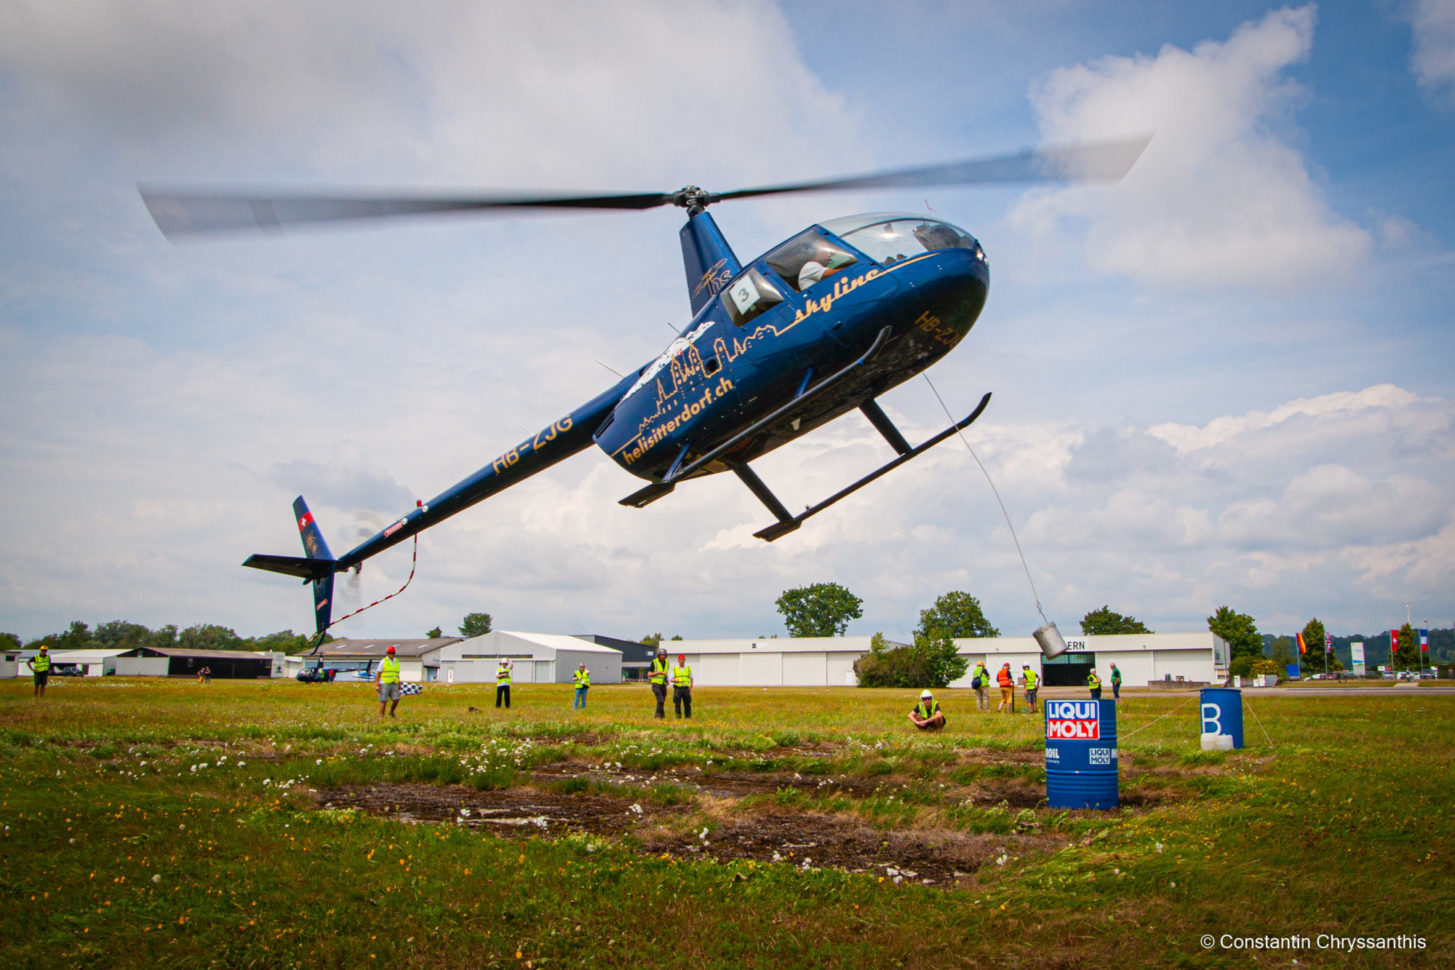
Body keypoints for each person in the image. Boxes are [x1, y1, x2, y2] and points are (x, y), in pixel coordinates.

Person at [376, 645, 402, 717]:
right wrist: (377, 685)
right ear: (387, 653)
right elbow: (378, 673)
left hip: (394, 682)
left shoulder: (397, 661)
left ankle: (391, 712)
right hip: (384, 683)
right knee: (383, 700)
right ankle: (381, 716)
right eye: (390, 653)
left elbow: (397, 673)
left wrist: (399, 683)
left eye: (393, 653)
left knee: (396, 698)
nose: (391, 654)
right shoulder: (383, 661)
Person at [648, 646, 669, 719]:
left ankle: (662, 716)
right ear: (659, 655)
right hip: (656, 684)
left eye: (664, 655)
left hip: (663, 684)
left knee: (662, 701)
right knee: (660, 699)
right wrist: (658, 673)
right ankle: (657, 716)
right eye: (662, 655)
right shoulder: (654, 662)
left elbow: (665, 673)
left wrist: (667, 680)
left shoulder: (667, 663)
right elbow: (649, 674)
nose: (663, 656)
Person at [670, 654, 693, 719]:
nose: (681, 661)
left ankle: (688, 717)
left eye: (682, 659)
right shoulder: (675, 669)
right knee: (677, 703)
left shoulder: (688, 668)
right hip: (678, 688)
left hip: (686, 688)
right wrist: (675, 680)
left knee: (687, 703)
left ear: (685, 660)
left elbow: (691, 677)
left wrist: (691, 686)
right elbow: (671, 679)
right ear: (678, 660)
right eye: (680, 659)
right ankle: (678, 717)